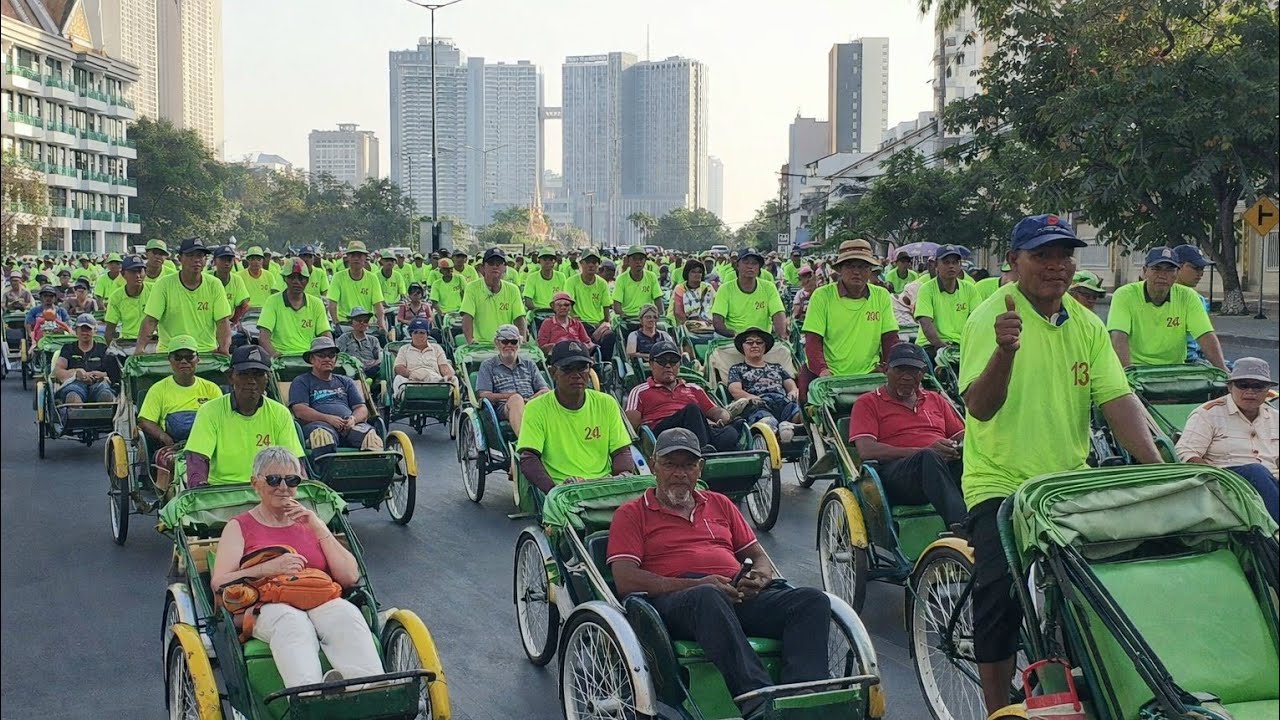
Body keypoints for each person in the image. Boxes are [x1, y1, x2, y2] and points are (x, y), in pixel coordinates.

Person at [961, 213, 1161, 716]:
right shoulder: (992, 316)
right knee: (1000, 597)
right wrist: (1005, 351)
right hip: (999, 481)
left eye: (1064, 255)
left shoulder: (1086, 323)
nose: (1057, 266)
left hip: (1064, 482)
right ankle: (993, 708)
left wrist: (1157, 469)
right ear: (1014, 262)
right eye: (1042, 255)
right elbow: (980, 407)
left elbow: (1118, 401)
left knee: (1106, 579)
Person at [606, 428, 830, 719]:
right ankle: (758, 700)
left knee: (812, 601)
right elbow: (625, 580)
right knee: (707, 594)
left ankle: (804, 698)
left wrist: (759, 578)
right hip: (676, 603)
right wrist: (693, 584)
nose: (679, 473)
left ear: (700, 468)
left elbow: (758, 557)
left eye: (688, 465)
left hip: (734, 594)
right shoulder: (632, 513)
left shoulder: (720, 504)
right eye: (671, 464)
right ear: (653, 465)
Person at [209, 446, 383, 690]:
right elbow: (220, 582)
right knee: (292, 623)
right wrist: (268, 568)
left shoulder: (310, 521)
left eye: (291, 480)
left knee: (348, 615)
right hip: (267, 606)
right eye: (273, 479)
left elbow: (350, 576)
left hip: (319, 597)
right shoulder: (239, 526)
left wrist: (317, 526)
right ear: (255, 484)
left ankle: (369, 694)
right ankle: (308, 698)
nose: (283, 487)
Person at [849, 343, 967, 528]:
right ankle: (962, 526)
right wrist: (923, 451)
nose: (906, 377)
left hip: (940, 468)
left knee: (971, 455)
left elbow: (962, 435)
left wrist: (957, 448)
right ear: (886, 369)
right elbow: (866, 450)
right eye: (899, 370)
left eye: (914, 371)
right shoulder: (867, 403)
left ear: (923, 373)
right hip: (897, 476)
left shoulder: (935, 399)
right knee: (928, 457)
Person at [516, 340, 635, 491]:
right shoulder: (536, 408)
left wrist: (621, 478)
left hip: (603, 486)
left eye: (582, 368)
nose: (576, 375)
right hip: (564, 489)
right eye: (567, 369)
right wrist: (554, 492)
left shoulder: (607, 403)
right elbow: (529, 458)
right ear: (553, 373)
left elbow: (621, 451)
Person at [186, 345, 306, 487]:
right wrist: (199, 489)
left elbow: (294, 461)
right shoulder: (209, 411)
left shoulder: (280, 412)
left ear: (268, 379)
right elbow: (197, 460)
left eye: (258, 374)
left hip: (269, 492)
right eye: (244, 374)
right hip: (222, 493)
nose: (251, 380)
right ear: (231, 377)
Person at [1176, 357, 1279, 522]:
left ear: (1267, 390)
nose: (1250, 391)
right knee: (1256, 470)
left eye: (1258, 386)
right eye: (1243, 385)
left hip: (1272, 481)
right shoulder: (1208, 413)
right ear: (1230, 387)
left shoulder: (1275, 417)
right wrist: (1216, 477)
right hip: (1227, 482)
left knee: (1260, 472)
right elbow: (1187, 452)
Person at [800, 239, 899, 397]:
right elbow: (812, 340)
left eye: (862, 266)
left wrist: (888, 366)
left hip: (870, 375)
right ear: (840, 269)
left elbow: (890, 339)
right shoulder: (822, 296)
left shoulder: (881, 295)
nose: (856, 272)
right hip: (830, 377)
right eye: (850, 266)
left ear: (870, 270)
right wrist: (822, 369)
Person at [1107, 246, 1226, 371]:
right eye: (1156, 269)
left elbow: (1206, 336)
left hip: (1175, 369)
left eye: (1170, 270)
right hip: (1137, 369)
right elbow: (1118, 336)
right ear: (1145, 271)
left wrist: (1224, 371)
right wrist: (1127, 373)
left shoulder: (1188, 296)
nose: (1163, 276)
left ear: (1176, 273)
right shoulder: (1124, 295)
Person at [137, 335, 222, 491]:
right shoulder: (158, 389)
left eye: (189, 357)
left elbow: (223, 419)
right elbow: (145, 421)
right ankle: (167, 497)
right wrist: (164, 437)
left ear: (198, 359)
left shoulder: (212, 389)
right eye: (178, 357)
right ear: (170, 360)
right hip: (173, 445)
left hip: (208, 445)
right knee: (172, 463)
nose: (184, 362)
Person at [626, 340, 741, 453]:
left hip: (696, 429)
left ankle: (706, 448)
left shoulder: (693, 388)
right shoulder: (640, 391)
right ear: (651, 365)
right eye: (662, 361)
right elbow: (632, 428)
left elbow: (715, 411)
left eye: (673, 361)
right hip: (663, 435)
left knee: (731, 431)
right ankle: (701, 450)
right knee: (692, 410)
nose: (668, 366)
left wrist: (725, 416)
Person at [136, 237, 232, 356]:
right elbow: (151, 320)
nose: (196, 260)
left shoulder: (214, 285)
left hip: (205, 352)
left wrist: (224, 349)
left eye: (200, 255)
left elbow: (222, 322)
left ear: (205, 260)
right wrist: (140, 349)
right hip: (170, 352)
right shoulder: (163, 284)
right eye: (190, 255)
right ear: (180, 258)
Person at [289, 337, 382, 457]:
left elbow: (361, 408)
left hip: (349, 425)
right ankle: (326, 472)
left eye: (331, 355)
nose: (327, 359)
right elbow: (300, 410)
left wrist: (353, 419)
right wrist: (328, 419)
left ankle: (373, 472)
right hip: (319, 425)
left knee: (371, 437)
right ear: (312, 359)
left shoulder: (346, 381)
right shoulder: (301, 381)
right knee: (321, 437)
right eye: (321, 355)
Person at [725, 328, 801, 443]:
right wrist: (749, 397)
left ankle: (789, 426)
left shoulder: (777, 367)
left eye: (759, 342)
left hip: (782, 401)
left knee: (801, 413)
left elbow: (791, 385)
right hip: (758, 403)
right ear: (742, 347)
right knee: (766, 420)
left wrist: (793, 391)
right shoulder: (737, 369)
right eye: (749, 342)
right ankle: (778, 428)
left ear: (764, 347)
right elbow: (735, 390)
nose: (754, 345)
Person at [476, 324, 551, 436]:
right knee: (516, 400)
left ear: (519, 343)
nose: (509, 345)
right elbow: (483, 394)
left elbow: (544, 389)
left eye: (513, 342)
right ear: (497, 343)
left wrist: (529, 400)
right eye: (505, 342)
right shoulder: (488, 365)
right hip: (505, 408)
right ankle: (524, 442)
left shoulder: (529, 364)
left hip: (532, 404)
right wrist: (511, 396)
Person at [257, 259, 332, 358]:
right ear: (285, 279)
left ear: (307, 280)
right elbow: (264, 337)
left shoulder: (316, 303)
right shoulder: (272, 301)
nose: (296, 282)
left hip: (310, 357)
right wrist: (274, 355)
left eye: (301, 278)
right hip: (282, 356)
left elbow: (325, 334)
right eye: (292, 278)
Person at [914, 245, 981, 356]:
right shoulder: (926, 289)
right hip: (931, 345)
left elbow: (977, 321)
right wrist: (942, 346)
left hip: (961, 345)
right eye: (946, 262)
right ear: (936, 265)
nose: (951, 266)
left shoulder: (970, 289)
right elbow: (925, 323)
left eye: (955, 262)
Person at [711, 247, 787, 339]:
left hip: (762, 341)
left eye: (754, 263)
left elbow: (778, 313)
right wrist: (736, 335)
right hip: (732, 340)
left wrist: (782, 335)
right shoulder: (725, 289)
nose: (750, 266)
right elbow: (717, 320)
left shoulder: (769, 287)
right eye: (746, 262)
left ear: (759, 268)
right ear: (737, 265)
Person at [461, 247, 526, 345]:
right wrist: (471, 341)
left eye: (499, 263)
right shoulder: (472, 288)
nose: (495, 266)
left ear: (504, 268)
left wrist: (522, 340)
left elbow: (519, 318)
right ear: (483, 267)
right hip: (481, 346)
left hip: (506, 344)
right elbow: (467, 317)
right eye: (491, 263)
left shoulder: (513, 289)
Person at [53, 313, 118, 406]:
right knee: (72, 396)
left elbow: (114, 374)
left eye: (88, 329)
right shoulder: (68, 348)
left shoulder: (103, 349)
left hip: (99, 384)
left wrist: (101, 375)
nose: (85, 332)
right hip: (75, 384)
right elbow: (58, 371)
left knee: (106, 395)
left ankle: (104, 418)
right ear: (76, 331)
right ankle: (76, 417)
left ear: (94, 331)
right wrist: (76, 373)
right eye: (82, 329)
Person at [563, 249, 616, 356]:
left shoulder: (602, 284)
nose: (591, 265)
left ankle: (606, 366)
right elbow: (567, 305)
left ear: (598, 265)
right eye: (588, 262)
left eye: (594, 262)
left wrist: (605, 325)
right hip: (578, 324)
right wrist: (574, 318)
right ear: (581, 264)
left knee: (610, 335)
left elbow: (606, 309)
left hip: (597, 325)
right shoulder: (571, 282)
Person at [328, 241, 386, 333]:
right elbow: (332, 304)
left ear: (365, 258)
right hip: (346, 324)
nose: (356, 258)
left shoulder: (372, 278)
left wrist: (381, 324)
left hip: (366, 324)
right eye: (352, 255)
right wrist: (336, 323)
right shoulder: (338, 277)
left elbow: (378, 305)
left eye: (359, 255)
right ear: (348, 258)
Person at [391, 317, 456, 397]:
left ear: (427, 334)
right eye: (415, 332)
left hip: (434, 380)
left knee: (453, 379)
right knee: (398, 379)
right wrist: (413, 375)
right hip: (411, 381)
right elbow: (399, 367)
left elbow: (443, 366)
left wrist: (447, 376)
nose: (418, 336)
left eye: (422, 333)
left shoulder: (436, 348)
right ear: (411, 334)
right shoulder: (404, 349)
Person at [1172, 244, 1214, 364]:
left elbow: (1205, 338)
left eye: (1202, 269)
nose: (1200, 274)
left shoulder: (1199, 299)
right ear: (1178, 267)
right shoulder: (1162, 297)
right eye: (1196, 268)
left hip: (1199, 357)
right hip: (1184, 361)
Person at [103, 256, 152, 350]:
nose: (138, 275)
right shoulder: (116, 297)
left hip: (153, 341)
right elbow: (110, 328)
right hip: (128, 342)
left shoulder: (154, 291)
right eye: (133, 272)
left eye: (140, 271)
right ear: (123, 274)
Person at [207, 245, 253, 345]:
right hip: (207, 323)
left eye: (229, 260)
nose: (226, 263)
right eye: (223, 260)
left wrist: (234, 322)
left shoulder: (237, 280)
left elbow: (244, 305)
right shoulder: (206, 278)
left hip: (228, 323)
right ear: (214, 261)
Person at [614, 245, 664, 318]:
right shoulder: (621, 279)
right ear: (628, 260)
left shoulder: (651, 276)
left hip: (647, 316)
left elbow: (658, 300)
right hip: (628, 318)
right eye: (634, 259)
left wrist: (659, 315)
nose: (638, 262)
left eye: (641, 259)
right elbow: (617, 306)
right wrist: (623, 315)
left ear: (645, 261)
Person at [336, 306, 383, 380]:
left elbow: (379, 358)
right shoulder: (344, 338)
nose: (362, 323)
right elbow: (340, 357)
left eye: (365, 321)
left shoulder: (373, 340)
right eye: (359, 320)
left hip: (371, 371)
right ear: (351, 323)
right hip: (351, 372)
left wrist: (370, 364)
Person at [672, 260, 716, 325]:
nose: (697, 275)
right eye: (693, 272)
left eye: (699, 272)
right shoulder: (680, 288)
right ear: (687, 273)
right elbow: (678, 312)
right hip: (687, 324)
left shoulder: (708, 287)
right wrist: (692, 324)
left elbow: (715, 306)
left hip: (708, 323)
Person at [522, 247, 565, 312]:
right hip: (538, 313)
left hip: (556, 313)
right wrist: (537, 311)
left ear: (554, 261)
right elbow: (528, 299)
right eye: (545, 259)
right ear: (539, 261)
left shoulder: (561, 277)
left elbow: (564, 298)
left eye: (551, 259)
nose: (548, 262)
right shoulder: (532, 277)